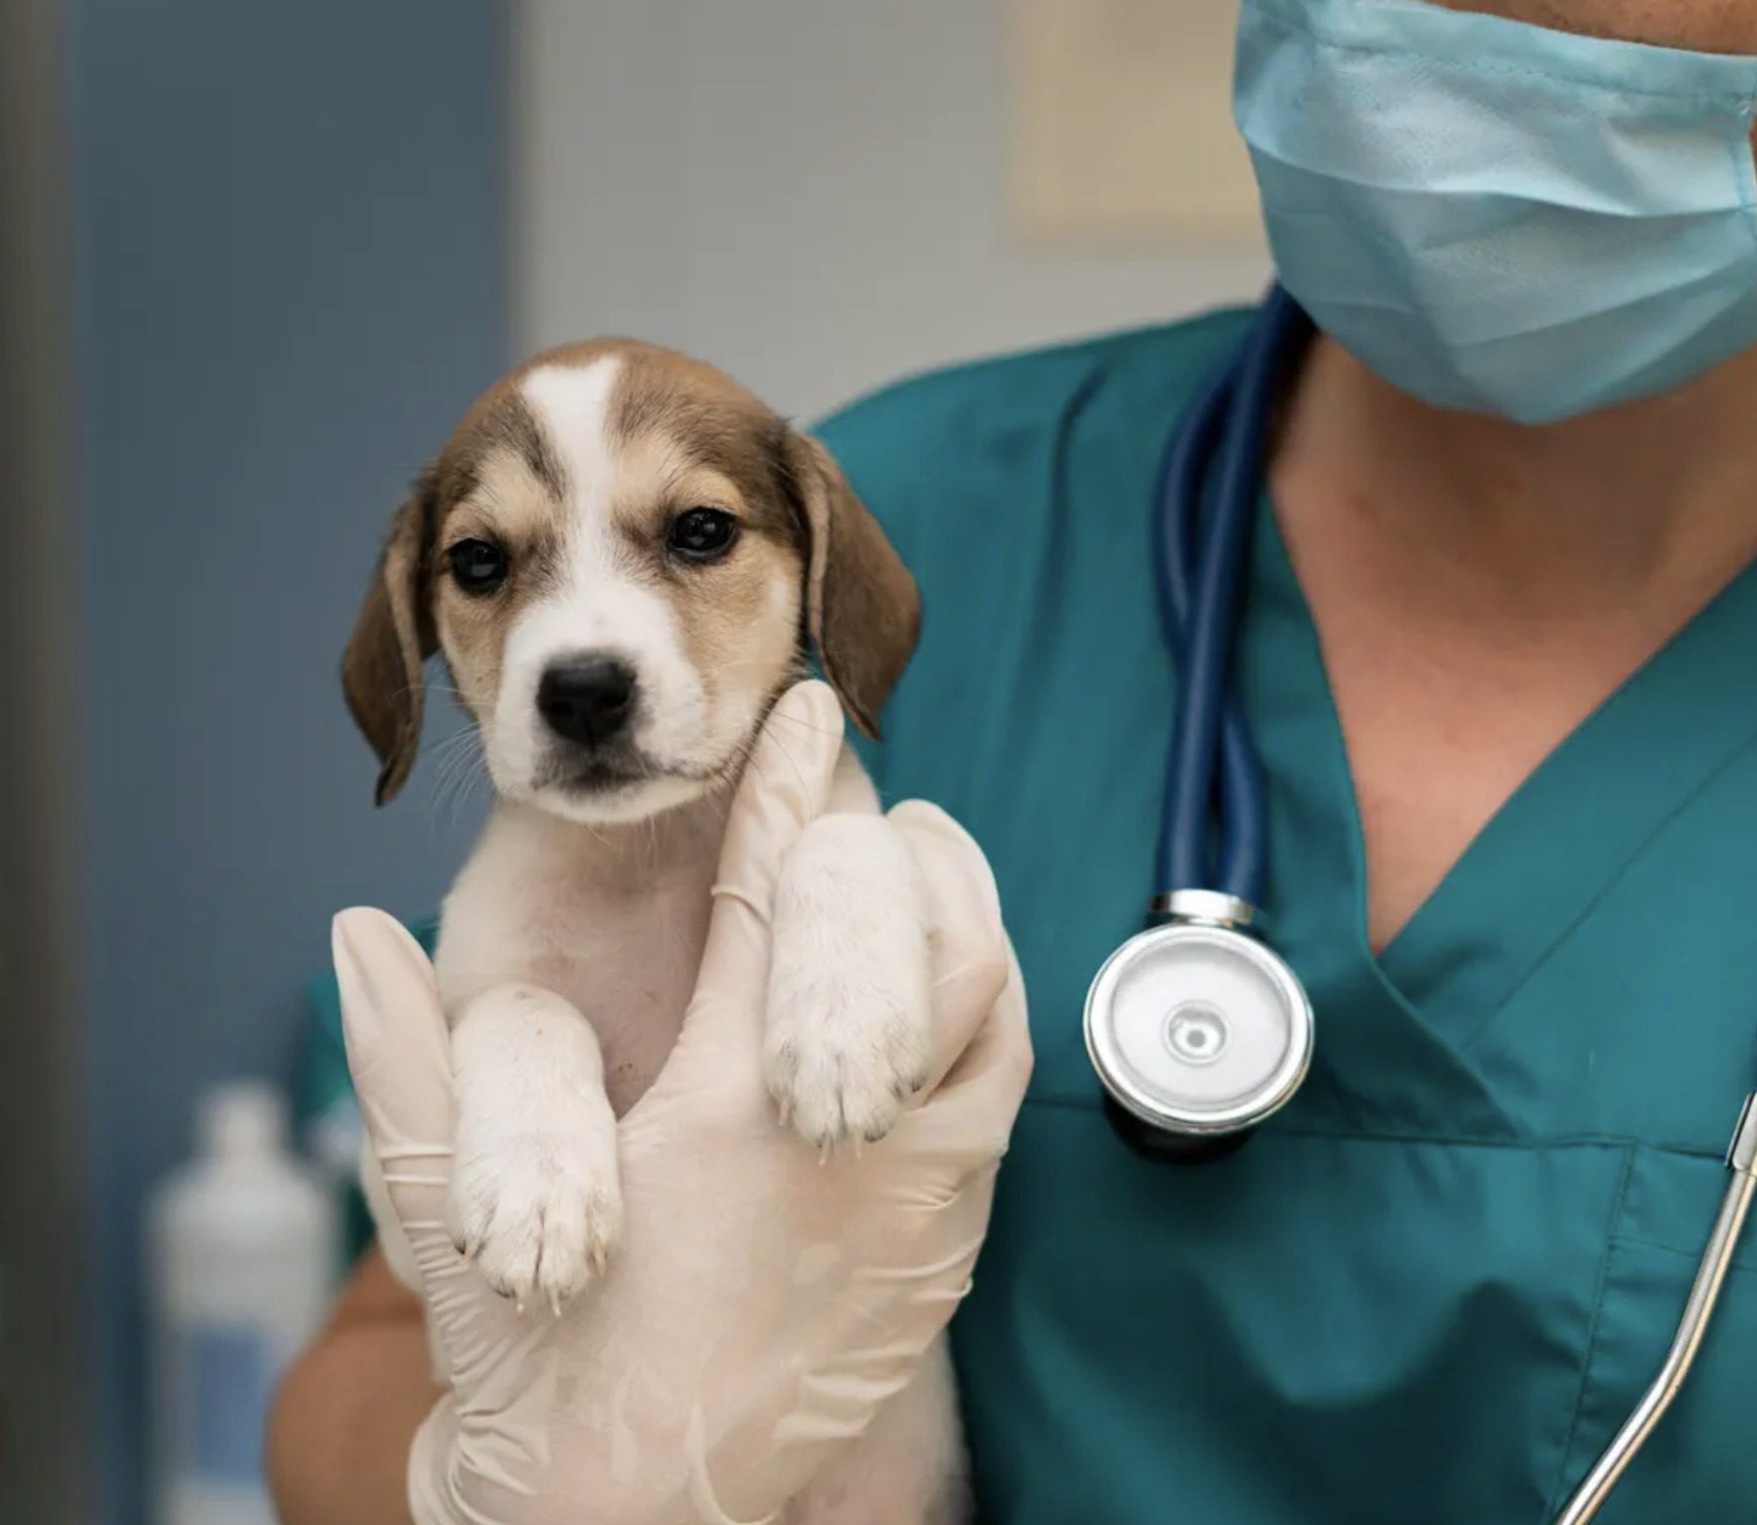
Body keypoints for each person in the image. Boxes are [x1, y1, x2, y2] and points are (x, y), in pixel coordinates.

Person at [268, 0, 1757, 1520]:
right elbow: (380, 1341)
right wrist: (501, 1489)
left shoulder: (813, 557)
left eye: (692, 536)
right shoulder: (899, 537)